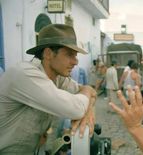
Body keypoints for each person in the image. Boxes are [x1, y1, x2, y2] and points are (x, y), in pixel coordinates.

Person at [0, 24, 97, 154]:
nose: (76, 62)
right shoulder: (25, 74)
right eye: (69, 54)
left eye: (75, 55)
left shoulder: (57, 77)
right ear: (48, 53)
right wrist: (87, 96)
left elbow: (90, 93)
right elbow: (78, 108)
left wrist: (88, 110)